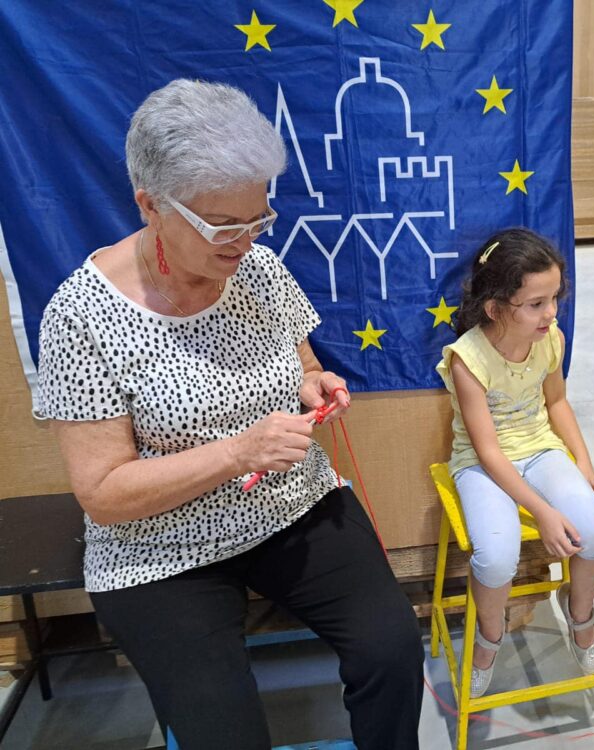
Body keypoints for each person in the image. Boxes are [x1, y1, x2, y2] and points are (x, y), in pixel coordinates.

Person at [35, 79, 423, 750]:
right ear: (150, 205)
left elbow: (303, 365)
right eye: (223, 226)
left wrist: (313, 384)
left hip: (290, 506)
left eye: (259, 220)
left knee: (391, 651)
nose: (244, 242)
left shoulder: (258, 270)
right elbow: (102, 495)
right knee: (224, 735)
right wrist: (238, 451)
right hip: (159, 551)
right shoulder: (80, 317)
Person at [435, 228, 594, 698]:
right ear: (496, 307)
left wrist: (584, 464)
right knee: (496, 558)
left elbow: (557, 402)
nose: (551, 312)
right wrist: (542, 509)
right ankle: (488, 639)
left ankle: (580, 613)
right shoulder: (467, 358)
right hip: (482, 464)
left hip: (540, 449)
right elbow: (488, 451)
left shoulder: (550, 338)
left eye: (554, 298)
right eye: (536, 303)